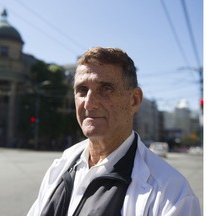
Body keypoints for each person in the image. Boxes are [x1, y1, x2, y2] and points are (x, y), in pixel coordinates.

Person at [26, 47, 201, 216]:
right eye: (82, 90)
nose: (89, 103)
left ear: (134, 100)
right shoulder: (61, 166)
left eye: (106, 89)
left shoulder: (172, 195)